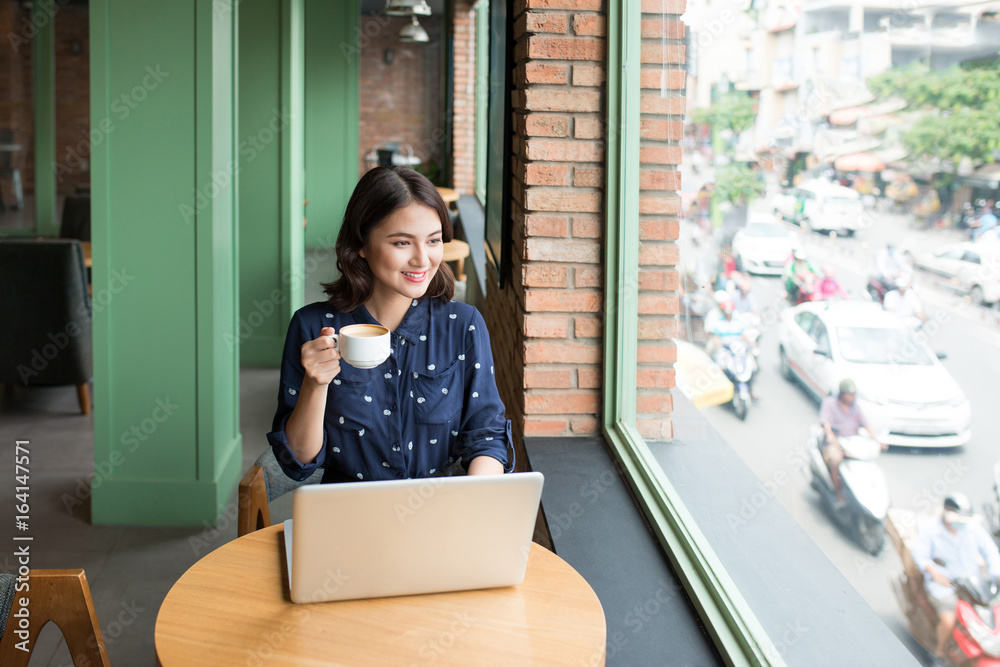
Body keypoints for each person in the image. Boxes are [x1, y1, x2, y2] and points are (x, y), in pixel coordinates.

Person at [267, 166, 511, 484]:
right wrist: (316, 385)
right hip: (347, 517)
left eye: (434, 240)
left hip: (437, 515)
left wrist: (471, 500)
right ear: (361, 245)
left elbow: (486, 436)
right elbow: (296, 461)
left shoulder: (463, 325)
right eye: (401, 243)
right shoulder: (313, 326)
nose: (422, 259)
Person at [911, 493, 1000, 664]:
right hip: (945, 586)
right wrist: (934, 572)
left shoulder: (972, 528)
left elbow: (991, 552)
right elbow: (919, 554)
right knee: (949, 619)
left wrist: (997, 572)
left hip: (972, 587)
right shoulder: (931, 529)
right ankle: (939, 654)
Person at [818, 379, 883, 506]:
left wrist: (877, 440)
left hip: (852, 442)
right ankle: (838, 494)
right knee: (835, 460)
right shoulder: (830, 404)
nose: (850, 397)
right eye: (848, 394)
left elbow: (866, 424)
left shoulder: (855, 408)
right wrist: (830, 435)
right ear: (841, 393)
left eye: (852, 395)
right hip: (834, 443)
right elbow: (825, 422)